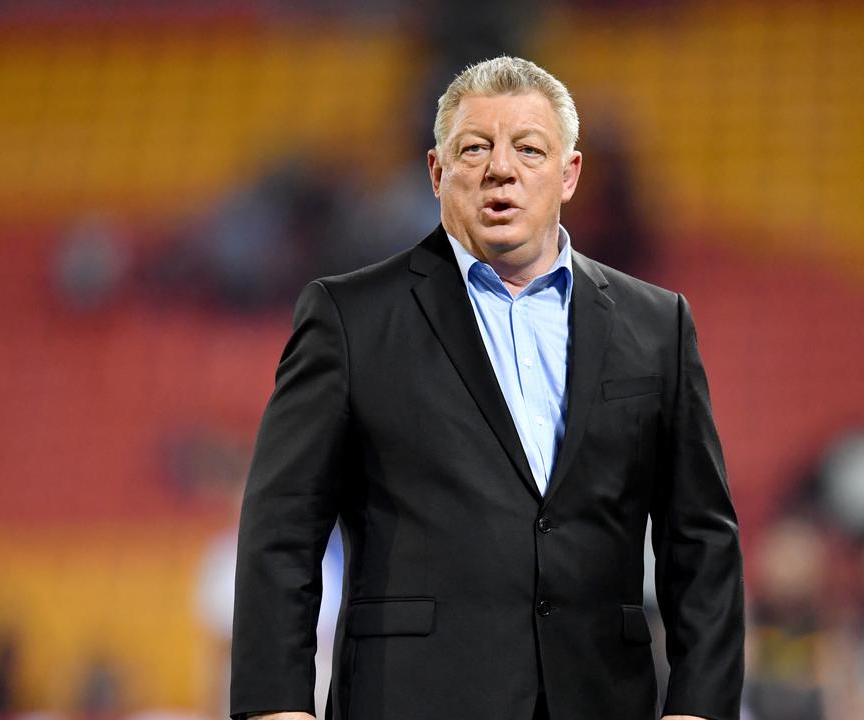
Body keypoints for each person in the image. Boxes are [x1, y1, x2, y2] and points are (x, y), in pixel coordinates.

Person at [231, 56, 744, 720]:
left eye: (529, 149)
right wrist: (277, 710)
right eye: (475, 148)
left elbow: (701, 539)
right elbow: (282, 529)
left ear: (569, 174)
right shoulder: (348, 319)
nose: (501, 168)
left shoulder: (658, 325)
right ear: (438, 173)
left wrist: (699, 708)